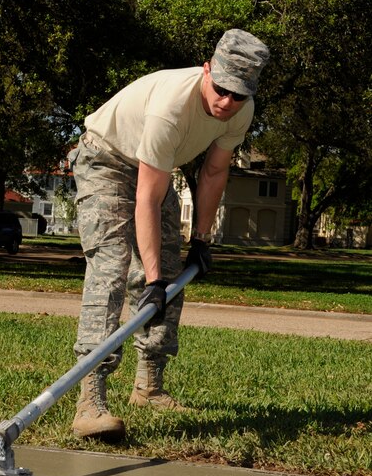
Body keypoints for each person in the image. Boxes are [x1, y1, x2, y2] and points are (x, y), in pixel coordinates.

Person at [67, 29, 270, 442]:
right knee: (113, 265)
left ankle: (149, 386)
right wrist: (152, 280)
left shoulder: (241, 111)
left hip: (153, 170)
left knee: (174, 271)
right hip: (106, 159)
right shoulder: (171, 107)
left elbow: (214, 172)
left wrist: (202, 239)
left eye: (239, 95)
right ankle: (90, 399)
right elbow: (146, 195)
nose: (227, 102)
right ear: (207, 69)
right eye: (222, 88)